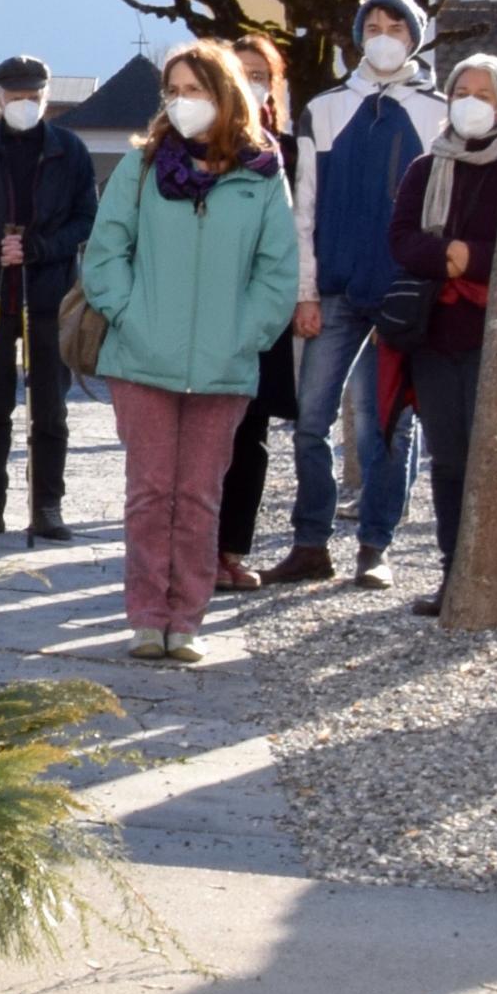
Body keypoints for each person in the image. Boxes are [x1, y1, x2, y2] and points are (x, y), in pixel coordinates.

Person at [76, 40, 300, 662]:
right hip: (142, 359)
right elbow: (106, 254)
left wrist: (246, 334)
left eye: (194, 90)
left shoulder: (262, 173)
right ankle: (148, 616)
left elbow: (277, 270)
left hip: (224, 364)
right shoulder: (142, 166)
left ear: (224, 94)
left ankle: (188, 621)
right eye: (173, 91)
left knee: (200, 496)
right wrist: (130, 316)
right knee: (151, 493)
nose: (182, 102)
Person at [260, 0, 449, 588]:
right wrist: (305, 292)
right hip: (336, 291)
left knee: (385, 425)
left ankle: (376, 545)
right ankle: (310, 542)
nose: (384, 36)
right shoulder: (325, 109)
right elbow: (305, 206)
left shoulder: (439, 113)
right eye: (373, 26)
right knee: (310, 422)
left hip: (402, 295)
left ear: (415, 36)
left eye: (396, 26)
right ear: (359, 35)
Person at [0, 54, 99, 544]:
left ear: (45, 98)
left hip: (50, 295)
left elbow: (85, 218)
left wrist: (40, 248)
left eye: (33, 97)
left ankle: (46, 503)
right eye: (15, 98)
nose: (25, 105)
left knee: (49, 405)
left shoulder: (70, 150)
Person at [387, 51, 497, 615]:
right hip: (437, 336)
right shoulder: (426, 168)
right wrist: (450, 255)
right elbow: (401, 238)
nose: (470, 103)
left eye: (483, 95)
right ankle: (453, 574)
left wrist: (475, 257)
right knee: (448, 460)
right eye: (462, 92)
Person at [214, 34, 305, 590]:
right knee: (204, 435)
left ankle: (229, 550)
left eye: (260, 75)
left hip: (263, 312)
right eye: (240, 73)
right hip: (207, 308)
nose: (250, 84)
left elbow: (300, 230)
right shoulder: (203, 149)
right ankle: (190, 549)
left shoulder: (288, 152)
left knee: (251, 433)